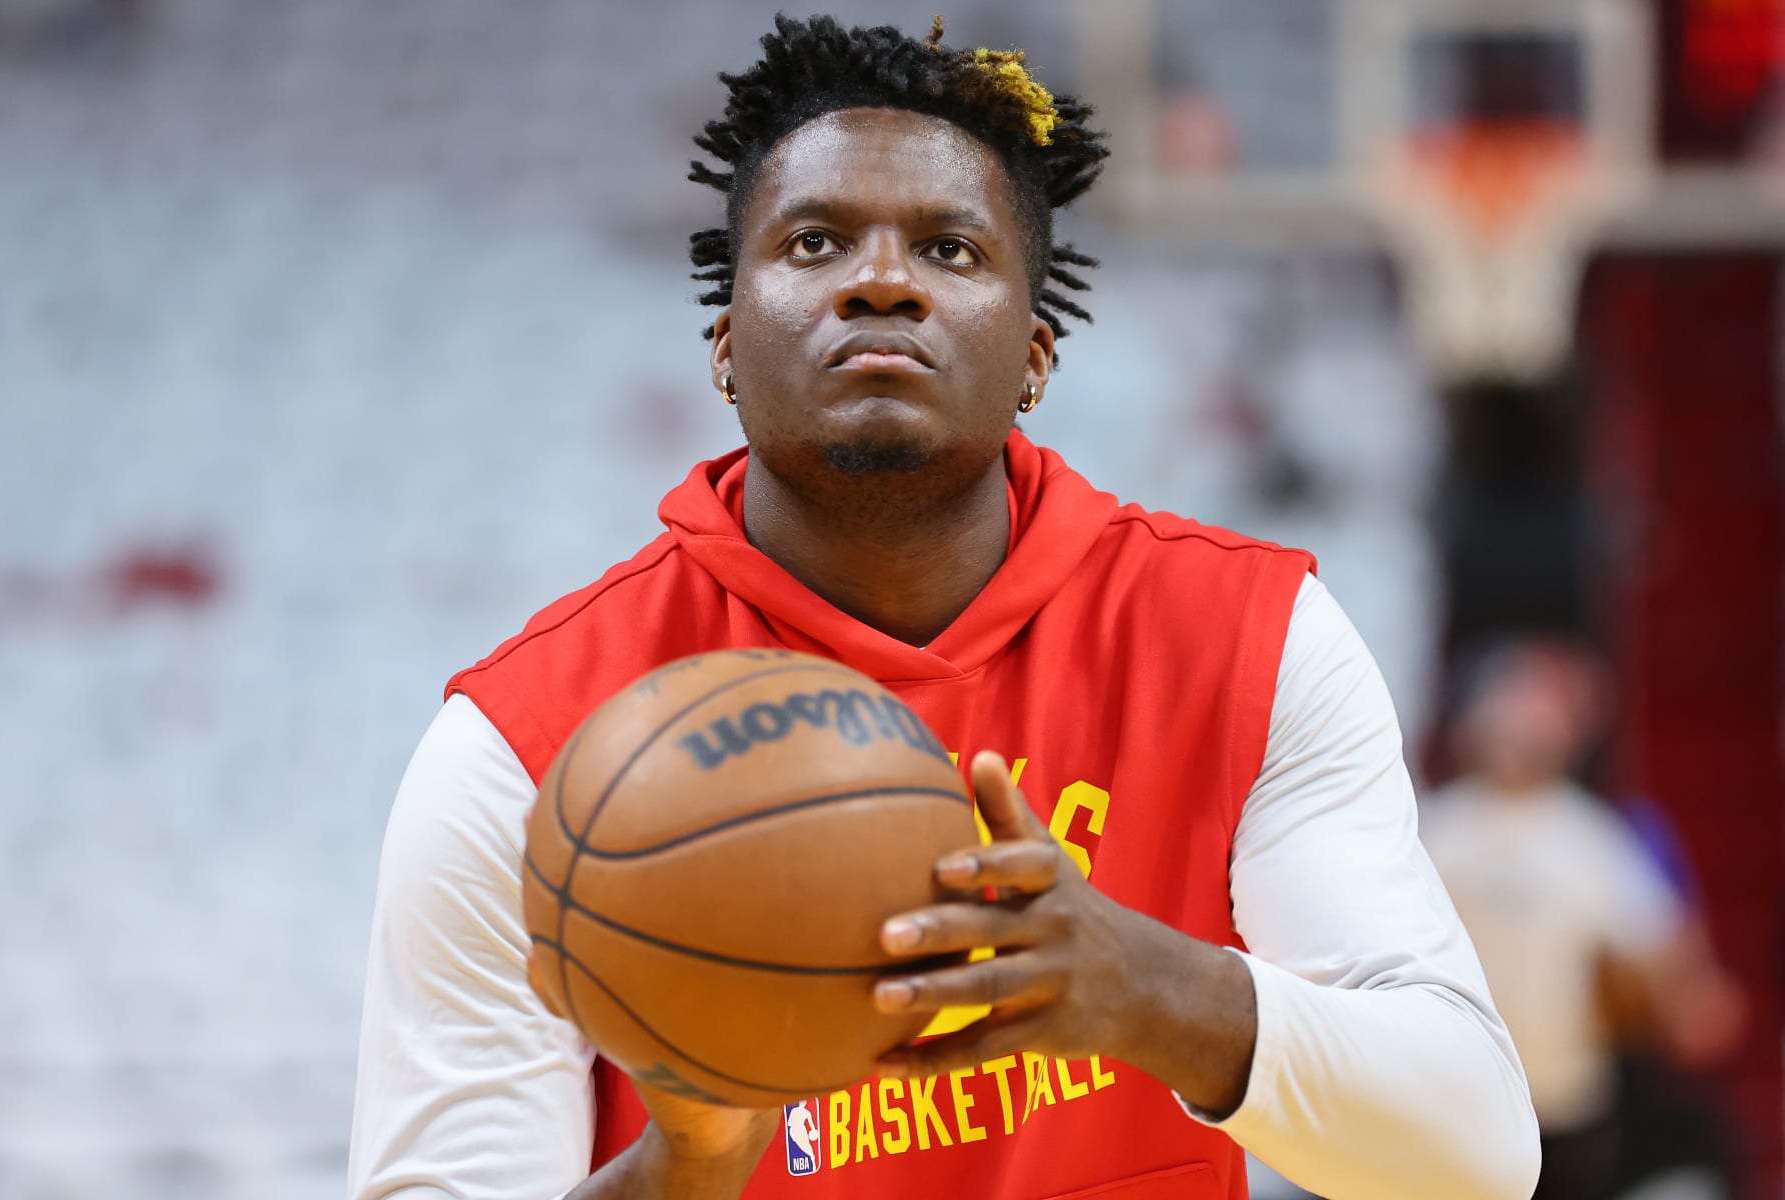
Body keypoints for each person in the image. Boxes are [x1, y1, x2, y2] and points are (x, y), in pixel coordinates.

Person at [347, 16, 1539, 1200]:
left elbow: (1474, 1155)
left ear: (1035, 352)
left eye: (951, 251)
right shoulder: (525, 747)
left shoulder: (1247, 640)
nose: (879, 281)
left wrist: (1147, 991)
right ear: (725, 342)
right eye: (813, 242)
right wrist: (684, 1169)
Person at [1420, 641, 1739, 1200]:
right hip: (1455, 1093)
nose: (1520, 731)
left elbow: (1667, 959)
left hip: (1564, 1100)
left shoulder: (1595, 838)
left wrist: (1683, 1000)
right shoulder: (1435, 828)